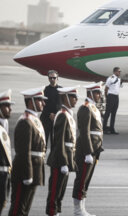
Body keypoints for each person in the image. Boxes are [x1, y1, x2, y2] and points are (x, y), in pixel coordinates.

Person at [8, 87, 47, 216]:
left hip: (34, 169)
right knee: (18, 208)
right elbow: (23, 152)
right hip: (24, 172)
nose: (43, 103)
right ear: (31, 101)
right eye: (40, 100)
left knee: (25, 209)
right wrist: (28, 174)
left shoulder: (33, 119)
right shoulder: (25, 122)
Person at [46, 86, 79, 216]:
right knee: (54, 191)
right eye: (73, 97)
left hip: (66, 158)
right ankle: (52, 213)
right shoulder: (62, 115)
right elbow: (59, 141)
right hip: (59, 160)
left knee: (60, 191)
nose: (76, 99)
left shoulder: (67, 115)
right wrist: (64, 162)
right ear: (66, 98)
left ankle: (57, 212)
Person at [72, 82, 104, 216]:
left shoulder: (93, 108)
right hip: (87, 150)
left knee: (86, 180)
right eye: (97, 92)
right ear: (90, 93)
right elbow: (84, 132)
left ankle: (82, 208)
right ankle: (77, 209)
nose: (99, 95)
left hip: (94, 149)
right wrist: (87, 152)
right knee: (81, 179)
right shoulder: (85, 108)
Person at [0, 90, 14, 215]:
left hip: (5, 171)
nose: (10, 109)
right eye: (6, 106)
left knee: (2, 201)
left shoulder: (5, 123)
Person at [40, 70, 62, 150]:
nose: (52, 79)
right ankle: (42, 159)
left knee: (55, 142)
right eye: (50, 78)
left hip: (57, 119)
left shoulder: (62, 90)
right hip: (46, 118)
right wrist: (50, 114)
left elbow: (62, 105)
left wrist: (56, 115)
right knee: (44, 141)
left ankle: (53, 161)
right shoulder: (45, 90)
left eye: (54, 78)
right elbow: (42, 105)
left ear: (57, 78)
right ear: (48, 79)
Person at [103, 67, 122, 135]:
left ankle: (112, 129)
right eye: (118, 71)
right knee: (107, 113)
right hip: (110, 96)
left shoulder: (119, 79)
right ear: (115, 72)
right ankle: (104, 128)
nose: (119, 73)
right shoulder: (110, 78)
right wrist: (107, 97)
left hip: (116, 97)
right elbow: (106, 88)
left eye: (120, 72)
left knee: (114, 113)